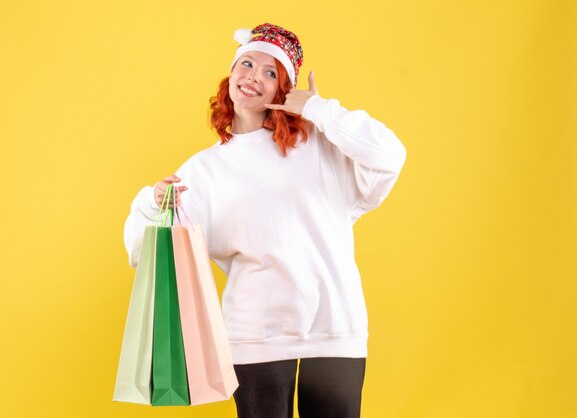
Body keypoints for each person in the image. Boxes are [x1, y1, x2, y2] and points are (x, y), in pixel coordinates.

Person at [124, 23, 406, 418]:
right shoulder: (206, 169)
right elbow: (145, 250)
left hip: (334, 332)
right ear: (231, 75)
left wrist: (319, 110)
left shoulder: (321, 147)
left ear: (284, 90)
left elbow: (389, 156)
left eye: (271, 72)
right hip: (255, 338)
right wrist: (156, 203)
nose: (254, 76)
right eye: (247, 63)